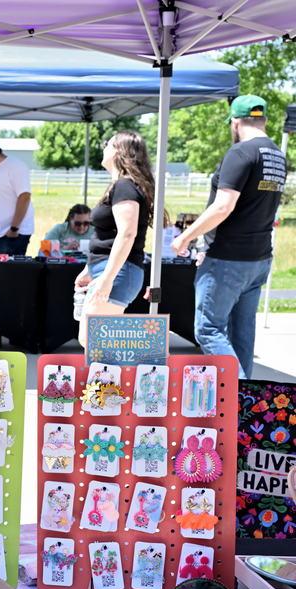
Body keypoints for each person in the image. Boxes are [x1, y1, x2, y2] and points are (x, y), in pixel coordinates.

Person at [171, 95, 288, 379]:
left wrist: (186, 237)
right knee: (241, 333)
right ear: (264, 120)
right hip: (258, 257)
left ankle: (239, 389)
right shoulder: (277, 155)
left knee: (208, 329)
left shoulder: (241, 153)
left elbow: (223, 206)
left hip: (228, 259)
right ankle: (246, 400)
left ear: (235, 122)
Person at [76, 130, 162, 345]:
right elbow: (109, 234)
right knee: (95, 342)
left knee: (95, 342)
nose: (103, 147)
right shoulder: (122, 185)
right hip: (110, 269)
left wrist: (106, 279)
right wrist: (89, 269)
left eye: (108, 143)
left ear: (118, 151)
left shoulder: (125, 186)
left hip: (119, 272)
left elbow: (127, 234)